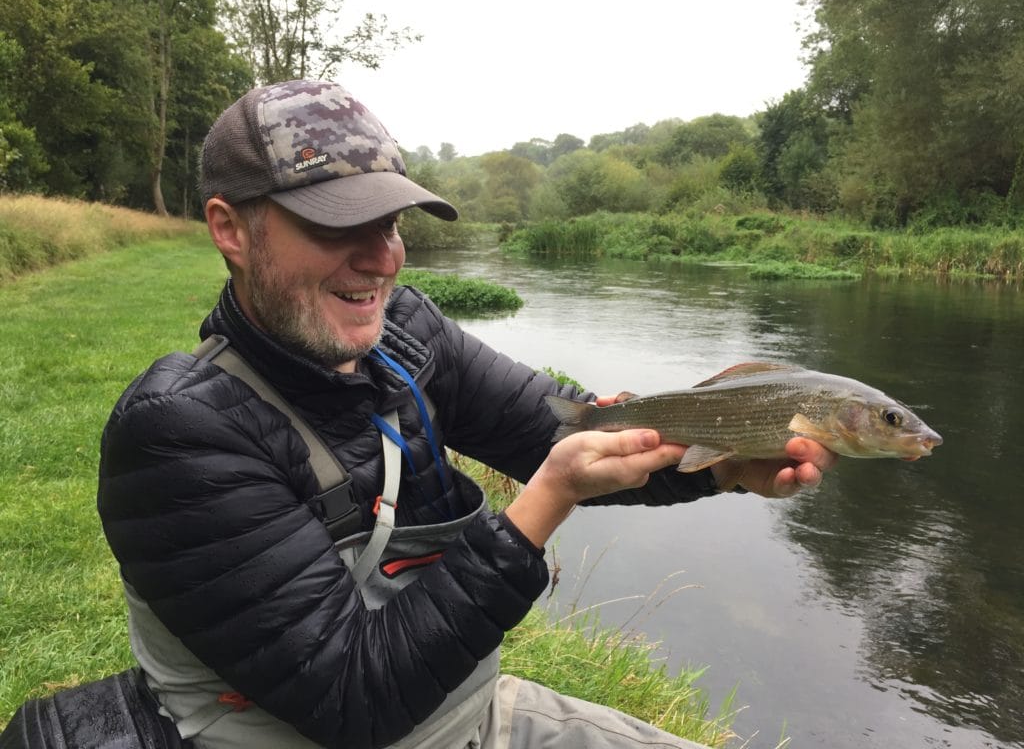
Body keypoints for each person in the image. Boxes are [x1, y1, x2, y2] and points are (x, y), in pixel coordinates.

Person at [95, 79, 835, 749]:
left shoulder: (409, 333)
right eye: (334, 226)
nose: (381, 260)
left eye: (389, 224)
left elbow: (568, 435)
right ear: (230, 229)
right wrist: (542, 505)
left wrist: (724, 463)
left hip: (470, 716)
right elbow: (356, 700)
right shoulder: (177, 437)